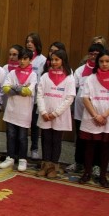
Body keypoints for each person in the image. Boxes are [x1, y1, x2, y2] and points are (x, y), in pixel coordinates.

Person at [78, 49, 109, 187]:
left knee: (105, 148)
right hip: (92, 118)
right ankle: (87, 172)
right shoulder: (91, 78)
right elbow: (85, 98)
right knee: (89, 146)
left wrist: (104, 115)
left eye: (107, 61)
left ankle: (103, 175)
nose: (104, 64)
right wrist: (95, 115)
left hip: (108, 119)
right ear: (97, 63)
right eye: (101, 61)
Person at [36, 49, 76, 178]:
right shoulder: (45, 76)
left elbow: (69, 98)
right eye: (52, 59)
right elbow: (40, 95)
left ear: (63, 61)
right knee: (46, 139)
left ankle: (53, 167)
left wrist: (55, 113)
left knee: (56, 140)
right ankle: (45, 165)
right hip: (45, 115)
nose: (53, 62)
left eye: (57, 60)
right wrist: (43, 111)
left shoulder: (69, 78)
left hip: (59, 116)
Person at [0, 48, 37, 171]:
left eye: (25, 59)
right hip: (11, 109)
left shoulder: (33, 74)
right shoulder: (12, 73)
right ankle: (10, 158)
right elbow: (5, 88)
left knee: (22, 137)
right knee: (10, 135)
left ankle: (22, 159)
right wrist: (20, 88)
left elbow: (29, 91)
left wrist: (15, 88)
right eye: (20, 58)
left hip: (24, 111)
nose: (21, 61)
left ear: (30, 60)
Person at [69, 43, 104, 173]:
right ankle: (79, 162)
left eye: (96, 54)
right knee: (80, 138)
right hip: (80, 110)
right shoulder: (80, 70)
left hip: (97, 112)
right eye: (91, 54)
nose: (93, 56)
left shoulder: (104, 71)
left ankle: (96, 165)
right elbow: (73, 88)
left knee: (96, 140)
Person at [26, 32, 46, 160]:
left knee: (34, 124)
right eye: (27, 41)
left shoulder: (42, 60)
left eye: (32, 41)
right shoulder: (24, 57)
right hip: (23, 96)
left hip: (35, 97)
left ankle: (34, 148)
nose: (29, 44)